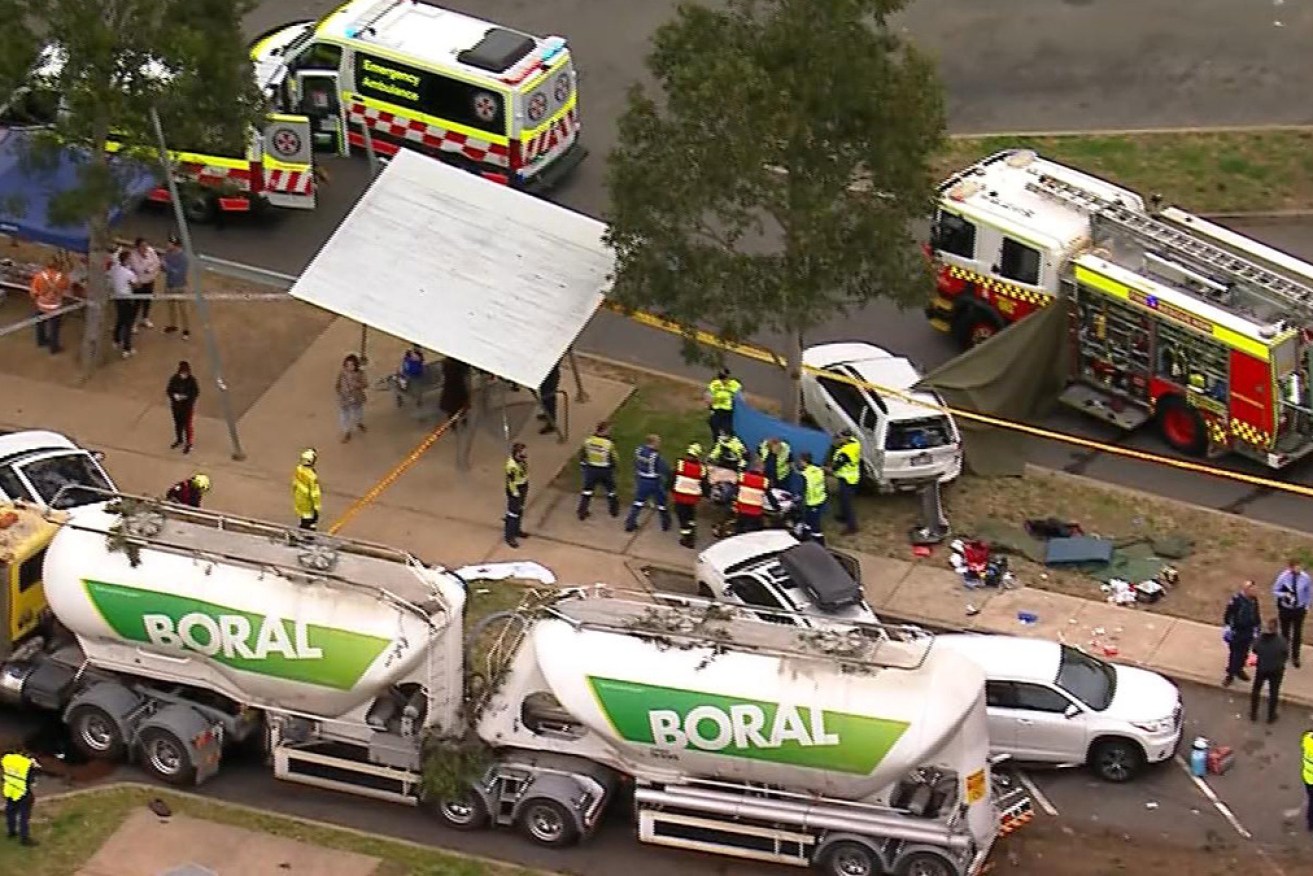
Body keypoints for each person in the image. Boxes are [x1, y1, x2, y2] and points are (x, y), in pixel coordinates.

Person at [624, 434, 670, 533]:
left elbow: (636, 463)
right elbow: (664, 469)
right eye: (658, 442)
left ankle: (630, 523)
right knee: (661, 502)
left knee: (638, 502)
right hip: (653, 481)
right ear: (653, 443)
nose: (659, 444)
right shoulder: (655, 456)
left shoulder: (639, 450)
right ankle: (666, 523)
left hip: (641, 479)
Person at [577, 421, 620, 520]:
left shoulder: (588, 441)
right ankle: (614, 511)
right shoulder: (608, 444)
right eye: (609, 430)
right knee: (611, 491)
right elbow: (614, 458)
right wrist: (615, 467)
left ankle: (582, 512)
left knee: (587, 491)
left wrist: (583, 466)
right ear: (605, 430)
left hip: (591, 470)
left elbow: (583, 455)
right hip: (605, 470)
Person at [1222, 580, 1261, 687]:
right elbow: (1228, 615)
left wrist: (1257, 627)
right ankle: (1230, 674)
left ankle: (1239, 670)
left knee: (1244, 653)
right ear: (1246, 590)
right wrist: (1229, 628)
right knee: (1235, 654)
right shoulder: (1236, 600)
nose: (1255, 591)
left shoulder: (1254, 600)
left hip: (1248, 631)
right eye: (1252, 589)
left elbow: (1256, 614)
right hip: (1237, 632)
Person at [1273, 559, 1310, 669]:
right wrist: (1284, 594)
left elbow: (1308, 593)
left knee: (1297, 633)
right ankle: (1284, 653)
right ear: (1291, 567)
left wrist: (1306, 606)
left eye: (1300, 566)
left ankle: (1295, 656)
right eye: (1296, 567)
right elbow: (1275, 590)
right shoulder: (1283, 577)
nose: (1299, 569)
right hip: (1286, 609)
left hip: (1299, 609)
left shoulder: (1305, 578)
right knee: (1285, 633)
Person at [1250, 618, 1288, 723]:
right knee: (1274, 693)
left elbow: (1254, 649)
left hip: (1262, 668)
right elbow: (1285, 654)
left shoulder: (1259, 640)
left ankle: (1253, 713)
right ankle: (1271, 716)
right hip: (1276, 670)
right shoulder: (1281, 641)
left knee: (1256, 690)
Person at [29, 256, 69, 355]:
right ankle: (54, 347)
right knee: (54, 328)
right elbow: (66, 287)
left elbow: (33, 292)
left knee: (40, 324)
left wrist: (39, 297)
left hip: (41, 304)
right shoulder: (62, 277)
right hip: (55, 306)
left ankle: (41, 341)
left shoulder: (39, 276)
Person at [672, 443, 706, 548]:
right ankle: (692, 533)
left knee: (683, 520)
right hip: (693, 499)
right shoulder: (702, 469)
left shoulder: (681, 464)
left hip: (680, 497)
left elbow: (672, 478)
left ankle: (687, 540)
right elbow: (704, 484)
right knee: (691, 517)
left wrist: (669, 489)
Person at [2, 745, 37, 846]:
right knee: (24, 816)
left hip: (10, 790)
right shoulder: (27, 764)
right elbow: (32, 780)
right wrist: (34, 765)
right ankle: (24, 838)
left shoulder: (6, 759)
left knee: (10, 812)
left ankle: (11, 831)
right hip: (23, 792)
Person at [829, 430, 862, 535]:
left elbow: (834, 468)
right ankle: (843, 516)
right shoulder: (855, 442)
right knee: (842, 498)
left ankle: (852, 526)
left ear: (845, 438)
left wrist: (820, 468)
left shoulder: (846, 453)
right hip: (851, 476)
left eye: (840, 438)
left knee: (847, 503)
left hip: (848, 479)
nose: (838, 440)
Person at [109, 249, 139, 358]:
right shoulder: (129, 273)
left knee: (120, 319)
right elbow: (136, 285)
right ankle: (127, 348)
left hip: (117, 298)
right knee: (128, 324)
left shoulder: (115, 268)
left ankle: (116, 340)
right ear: (126, 260)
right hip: (126, 299)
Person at [161, 234, 191, 339]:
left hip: (180, 286)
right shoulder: (167, 254)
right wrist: (162, 267)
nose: (167, 245)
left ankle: (186, 330)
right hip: (169, 285)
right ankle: (173, 325)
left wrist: (166, 266)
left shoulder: (184, 257)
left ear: (176, 245)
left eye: (170, 243)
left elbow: (179, 273)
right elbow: (165, 270)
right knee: (171, 307)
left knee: (183, 309)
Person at [127, 236, 161, 330]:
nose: (145, 248)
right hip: (139, 283)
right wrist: (148, 264)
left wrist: (150, 269)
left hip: (150, 281)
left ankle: (145, 318)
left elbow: (157, 263)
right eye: (142, 246)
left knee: (147, 301)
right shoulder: (133, 255)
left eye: (146, 245)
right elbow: (138, 269)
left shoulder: (150, 251)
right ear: (137, 247)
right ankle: (133, 323)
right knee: (136, 303)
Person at [166, 360, 200, 453]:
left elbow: (195, 392)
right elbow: (169, 390)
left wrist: (186, 397)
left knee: (187, 426)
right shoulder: (174, 379)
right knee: (178, 424)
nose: (184, 375)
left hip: (187, 407)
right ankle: (179, 440)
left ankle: (189, 443)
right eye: (182, 373)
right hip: (176, 407)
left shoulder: (192, 381)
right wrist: (174, 396)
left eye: (185, 373)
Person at [335, 354, 368, 442]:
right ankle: (347, 432)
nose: (349, 367)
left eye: (352, 365)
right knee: (344, 415)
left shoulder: (360, 373)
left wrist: (357, 384)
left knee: (358, 411)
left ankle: (358, 423)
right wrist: (340, 393)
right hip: (344, 398)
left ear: (356, 365)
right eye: (347, 365)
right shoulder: (342, 373)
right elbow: (337, 384)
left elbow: (365, 384)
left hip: (356, 397)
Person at [798, 452, 828, 545]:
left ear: (803, 461)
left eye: (800, 461)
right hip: (821, 498)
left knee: (815, 527)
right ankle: (803, 540)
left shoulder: (804, 475)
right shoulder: (818, 470)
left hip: (812, 503)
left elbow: (802, 490)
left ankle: (822, 545)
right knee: (807, 522)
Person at [504, 442, 530, 548]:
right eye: (522, 451)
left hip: (523, 485)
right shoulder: (511, 465)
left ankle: (517, 530)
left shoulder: (521, 461)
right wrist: (515, 493)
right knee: (513, 513)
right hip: (515, 489)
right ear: (517, 453)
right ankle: (509, 536)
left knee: (520, 510)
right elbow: (510, 481)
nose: (525, 453)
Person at [734, 458, 769, 534]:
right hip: (755, 511)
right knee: (754, 532)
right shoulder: (764, 481)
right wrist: (777, 507)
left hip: (741, 508)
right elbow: (769, 496)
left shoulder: (742, 476)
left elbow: (736, 489)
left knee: (739, 528)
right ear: (761, 469)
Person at [705, 368, 742, 441]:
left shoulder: (734, 384)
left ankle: (728, 444)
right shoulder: (714, 384)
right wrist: (709, 404)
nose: (723, 380)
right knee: (714, 425)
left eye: (724, 377)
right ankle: (717, 443)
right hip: (717, 410)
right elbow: (708, 395)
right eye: (721, 377)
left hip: (728, 411)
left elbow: (740, 398)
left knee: (727, 429)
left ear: (728, 376)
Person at [293, 448, 322, 530]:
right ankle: (304, 536)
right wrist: (316, 506)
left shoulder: (299, 469)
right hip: (308, 501)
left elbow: (295, 483)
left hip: (299, 497)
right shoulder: (312, 476)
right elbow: (315, 493)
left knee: (304, 517)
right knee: (309, 520)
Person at [439, 357, 471, 426]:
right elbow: (465, 372)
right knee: (461, 404)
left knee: (452, 407)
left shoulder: (445, 363)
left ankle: (453, 422)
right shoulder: (458, 364)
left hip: (449, 387)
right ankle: (462, 419)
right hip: (459, 386)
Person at [536, 361, 562, 435]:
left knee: (548, 398)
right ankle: (547, 415)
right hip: (546, 373)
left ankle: (551, 423)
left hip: (550, 376)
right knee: (545, 398)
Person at [1303, 726, 1313, 834]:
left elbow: (1308, 733)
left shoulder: (1307, 740)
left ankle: (1310, 823)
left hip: (1308, 777)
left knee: (1311, 801)